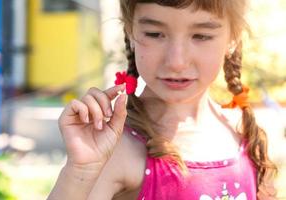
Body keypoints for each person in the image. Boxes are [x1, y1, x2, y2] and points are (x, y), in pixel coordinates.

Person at [48, 1, 278, 199]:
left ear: (233, 39)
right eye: (155, 34)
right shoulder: (116, 148)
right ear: (130, 32)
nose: (176, 61)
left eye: (201, 36)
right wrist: (80, 171)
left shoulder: (246, 135)